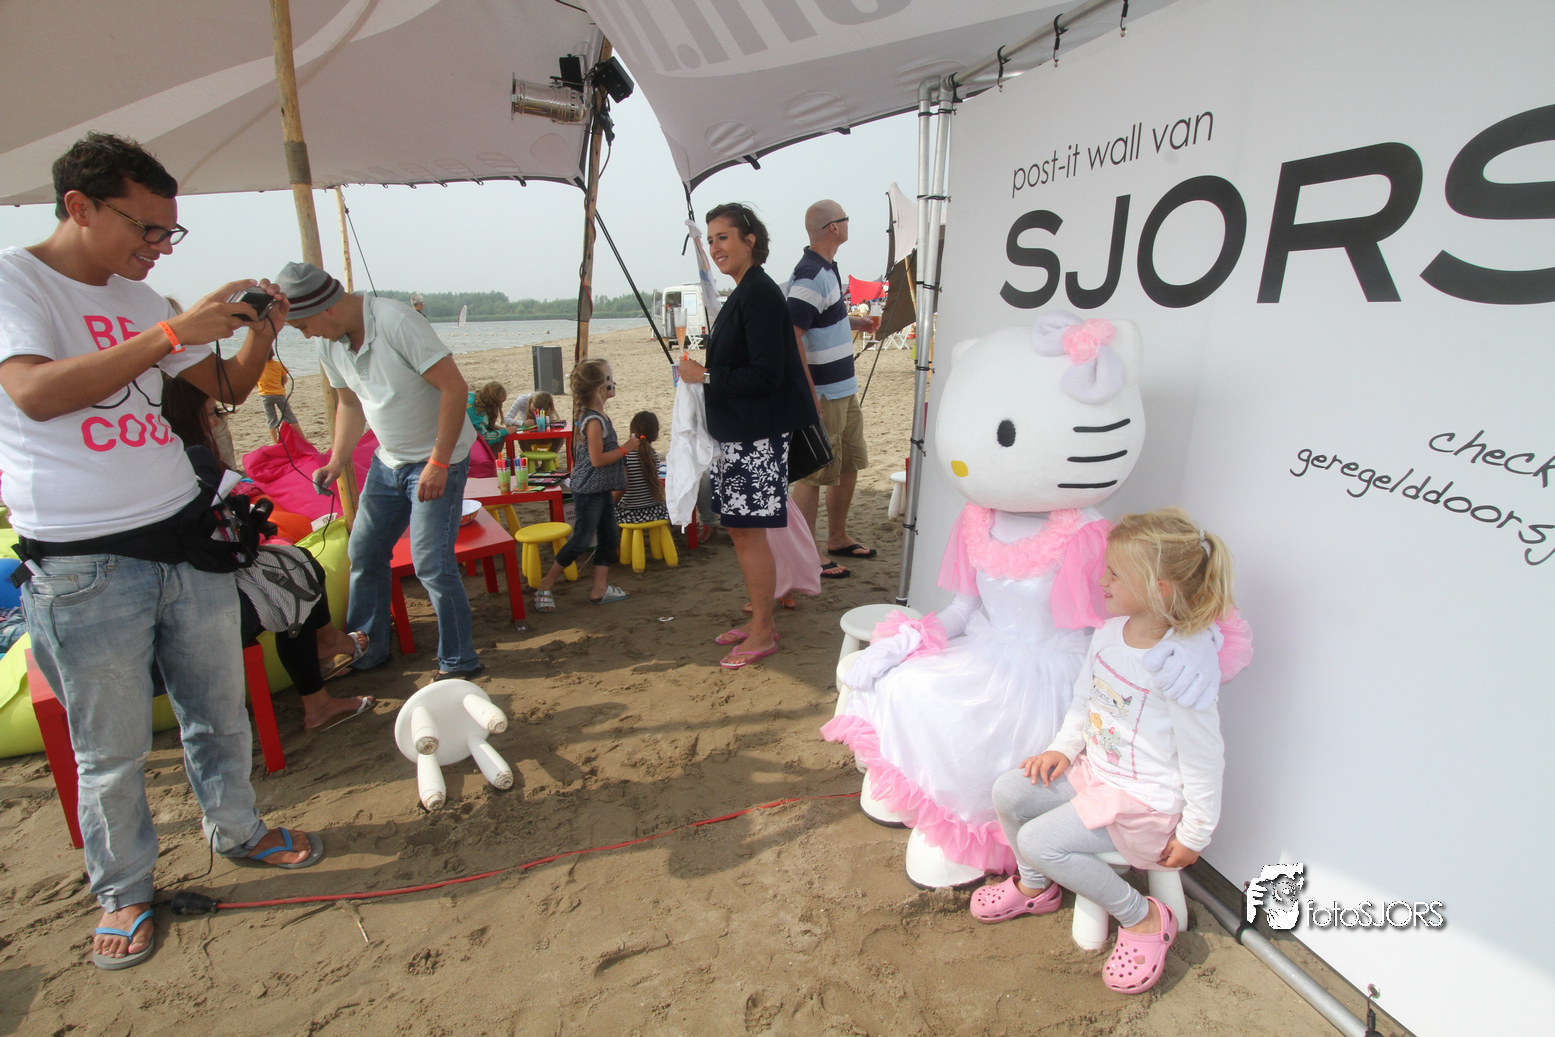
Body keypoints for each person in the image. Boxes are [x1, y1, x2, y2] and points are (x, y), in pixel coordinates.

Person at [0, 132, 322, 970]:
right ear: (79, 206)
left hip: (187, 539)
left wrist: (258, 332)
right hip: (83, 560)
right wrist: (171, 328)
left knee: (218, 709)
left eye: (168, 232)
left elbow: (223, 388)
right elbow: (33, 392)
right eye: (145, 228)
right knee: (109, 750)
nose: (159, 247)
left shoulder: (143, 300)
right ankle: (123, 888)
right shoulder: (16, 281)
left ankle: (238, 828)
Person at [971, 508, 1234, 996]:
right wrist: (1063, 749)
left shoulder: (1180, 668)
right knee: (1009, 791)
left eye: (1115, 573)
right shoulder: (1110, 633)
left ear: (1159, 590)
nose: (1101, 579)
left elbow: (1205, 758)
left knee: (1040, 841)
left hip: (1143, 805)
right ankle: (1034, 887)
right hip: (1095, 776)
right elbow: (1084, 699)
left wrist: (1195, 833)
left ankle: (1142, 917)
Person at [276, 261, 482, 682]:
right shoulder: (329, 343)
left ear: (328, 308)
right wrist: (336, 459)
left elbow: (454, 387)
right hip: (388, 461)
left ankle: (459, 661)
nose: (307, 335)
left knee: (431, 564)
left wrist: (439, 462)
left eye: (304, 326)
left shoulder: (395, 321)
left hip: (437, 457)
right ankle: (367, 650)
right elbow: (350, 404)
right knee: (364, 552)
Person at [162, 376, 374, 731]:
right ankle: (319, 689)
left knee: (294, 562)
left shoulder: (159, 462)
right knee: (290, 583)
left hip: (182, 588)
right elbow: (210, 536)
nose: (216, 422)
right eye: (213, 413)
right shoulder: (193, 459)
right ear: (188, 416)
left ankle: (326, 648)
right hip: (199, 602)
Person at [678, 203, 818, 670]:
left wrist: (705, 376)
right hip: (740, 436)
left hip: (756, 438)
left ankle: (763, 629)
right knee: (741, 531)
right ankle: (761, 619)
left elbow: (766, 374)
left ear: (749, 240)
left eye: (723, 237)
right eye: (711, 239)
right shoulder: (746, 291)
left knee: (748, 533)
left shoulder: (758, 293)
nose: (715, 247)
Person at [787, 200, 879, 579]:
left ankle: (837, 537)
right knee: (814, 473)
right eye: (845, 218)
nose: (848, 223)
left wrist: (856, 322)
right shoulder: (811, 274)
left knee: (849, 462)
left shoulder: (827, 268)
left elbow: (820, 318)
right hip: (824, 392)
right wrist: (810, 391)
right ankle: (806, 553)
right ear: (833, 228)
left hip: (843, 388)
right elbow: (791, 333)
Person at [532, 359, 636, 611]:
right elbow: (597, 460)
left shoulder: (598, 416)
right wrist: (626, 448)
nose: (613, 382)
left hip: (600, 488)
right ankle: (545, 584)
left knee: (609, 538)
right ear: (600, 386)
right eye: (609, 377)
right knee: (580, 540)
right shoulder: (593, 421)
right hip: (589, 489)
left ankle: (599, 589)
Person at [615, 411, 669, 526]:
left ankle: (620, 538)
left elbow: (621, 488)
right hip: (656, 512)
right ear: (655, 435)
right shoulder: (653, 455)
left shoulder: (624, 456)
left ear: (631, 431)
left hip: (629, 513)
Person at [257, 356, 301, 443]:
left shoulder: (258, 367)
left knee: (271, 419)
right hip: (279, 393)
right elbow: (285, 379)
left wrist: (261, 387)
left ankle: (274, 442)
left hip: (265, 395)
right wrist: (280, 385)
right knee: (290, 416)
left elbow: (255, 381)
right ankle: (303, 438)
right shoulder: (278, 364)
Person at [466, 380, 509, 453]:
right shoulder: (479, 412)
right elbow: (484, 437)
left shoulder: (471, 396)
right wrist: (504, 432)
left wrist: (494, 427)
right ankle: (491, 460)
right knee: (500, 438)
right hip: (464, 444)